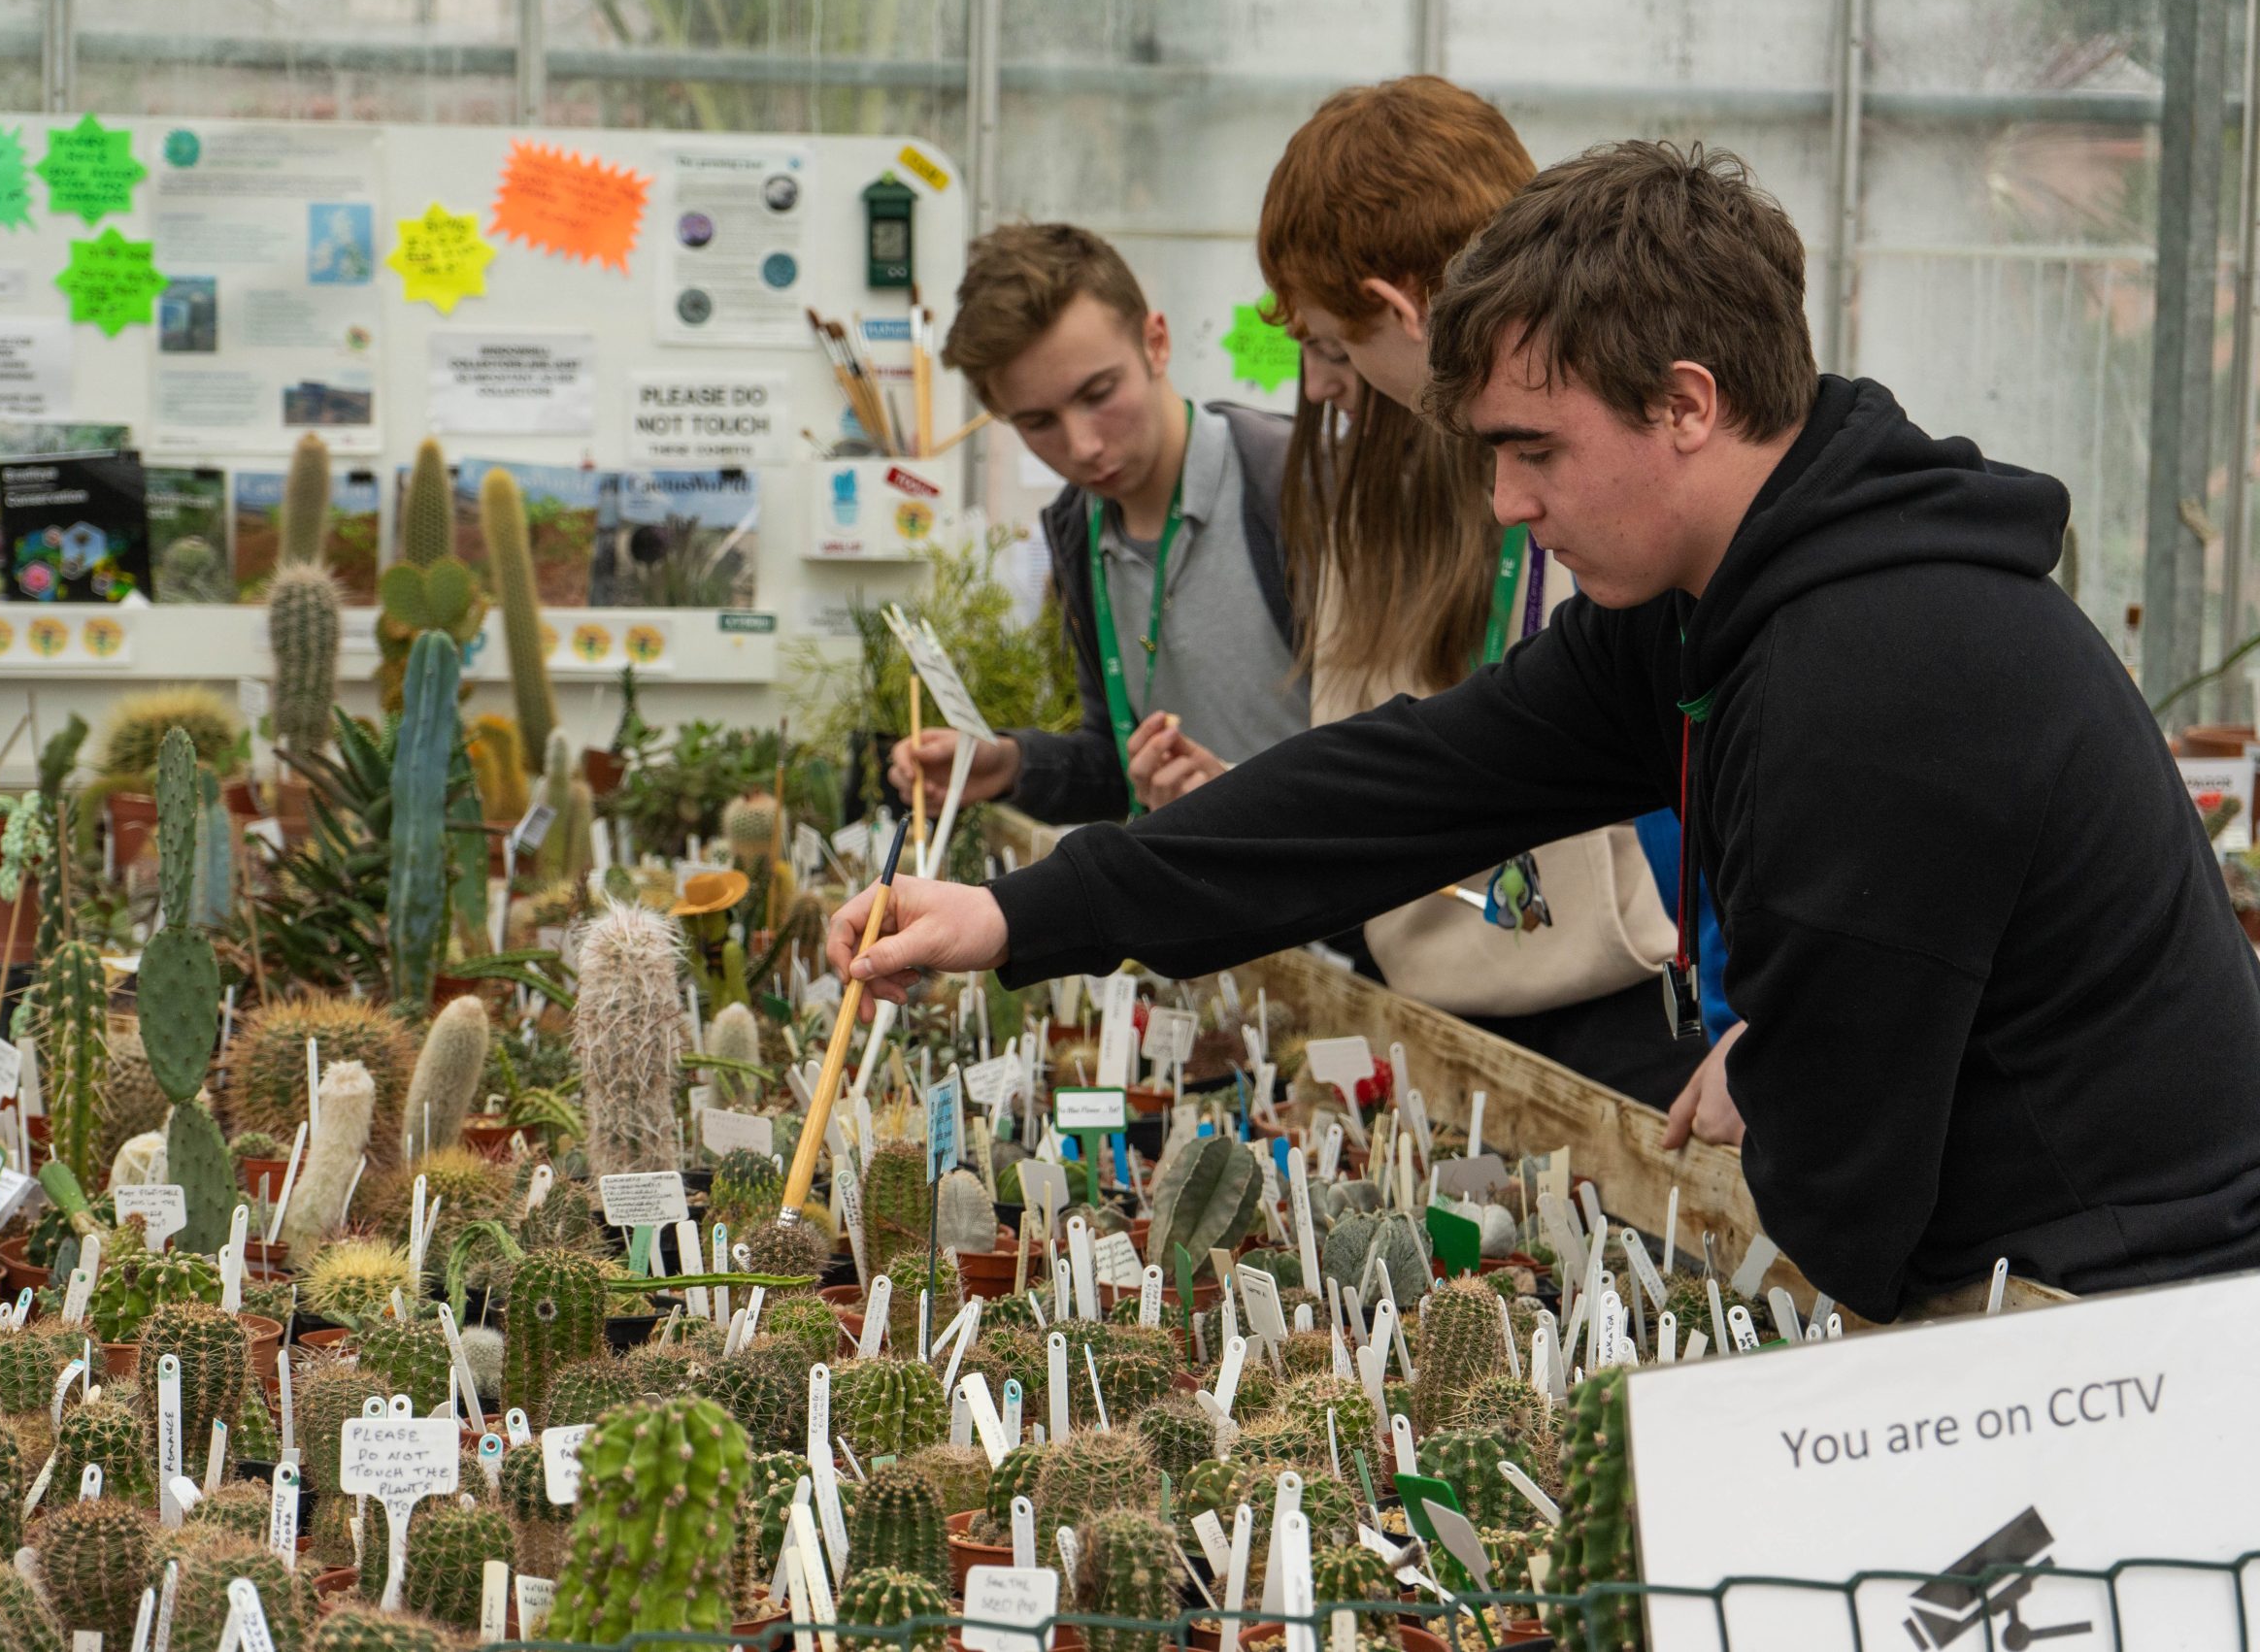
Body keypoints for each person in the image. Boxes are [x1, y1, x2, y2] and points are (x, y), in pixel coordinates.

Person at [823, 140, 2260, 1324]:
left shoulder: (1874, 670)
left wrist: (1784, 1061)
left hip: (2114, 1313)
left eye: (1534, 449)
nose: (1507, 503)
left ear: (1686, 402)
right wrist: (1019, 911)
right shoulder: (1723, 606)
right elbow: (1406, 785)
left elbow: (1852, 1198)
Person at [1137, 75, 1700, 1107]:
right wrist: (1259, 809)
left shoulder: (1621, 489)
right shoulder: (1373, 493)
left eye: (1327, 343)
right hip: (1439, 1009)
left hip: (1643, 1014)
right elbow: (1394, 772)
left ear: (1400, 309)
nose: (1317, 383)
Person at [888, 223, 1306, 826]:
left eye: (1098, 393)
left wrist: (1242, 797)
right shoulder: (1078, 531)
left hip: (1349, 909)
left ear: (1156, 343)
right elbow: (1119, 768)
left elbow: (1401, 735)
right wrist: (1009, 764)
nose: (1082, 446)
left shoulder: (1294, 487)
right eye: (1037, 422)